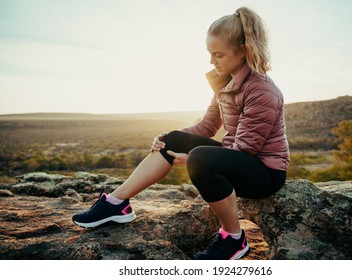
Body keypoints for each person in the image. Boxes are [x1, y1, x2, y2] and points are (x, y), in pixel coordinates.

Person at [72, 7, 290, 260]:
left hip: (265, 172)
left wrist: (193, 159)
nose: (212, 61)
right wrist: (168, 137)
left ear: (242, 51)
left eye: (218, 55)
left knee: (201, 158)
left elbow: (247, 148)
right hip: (239, 158)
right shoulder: (225, 81)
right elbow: (207, 125)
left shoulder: (261, 89)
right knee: (172, 139)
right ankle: (116, 203)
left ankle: (233, 239)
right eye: (210, 54)